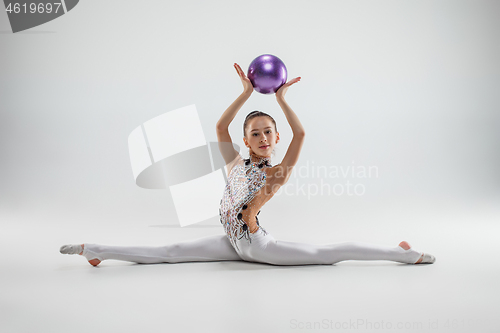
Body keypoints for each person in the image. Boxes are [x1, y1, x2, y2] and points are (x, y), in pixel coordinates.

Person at [60, 63, 436, 266]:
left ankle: (401, 254)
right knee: (170, 252)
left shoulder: (275, 173)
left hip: (258, 247)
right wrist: (244, 93)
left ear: (275, 138)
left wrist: (283, 99)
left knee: (328, 254)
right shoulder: (235, 164)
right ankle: (98, 249)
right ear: (246, 141)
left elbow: (301, 136)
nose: (261, 138)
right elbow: (221, 125)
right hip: (232, 242)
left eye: (267, 132)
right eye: (254, 133)